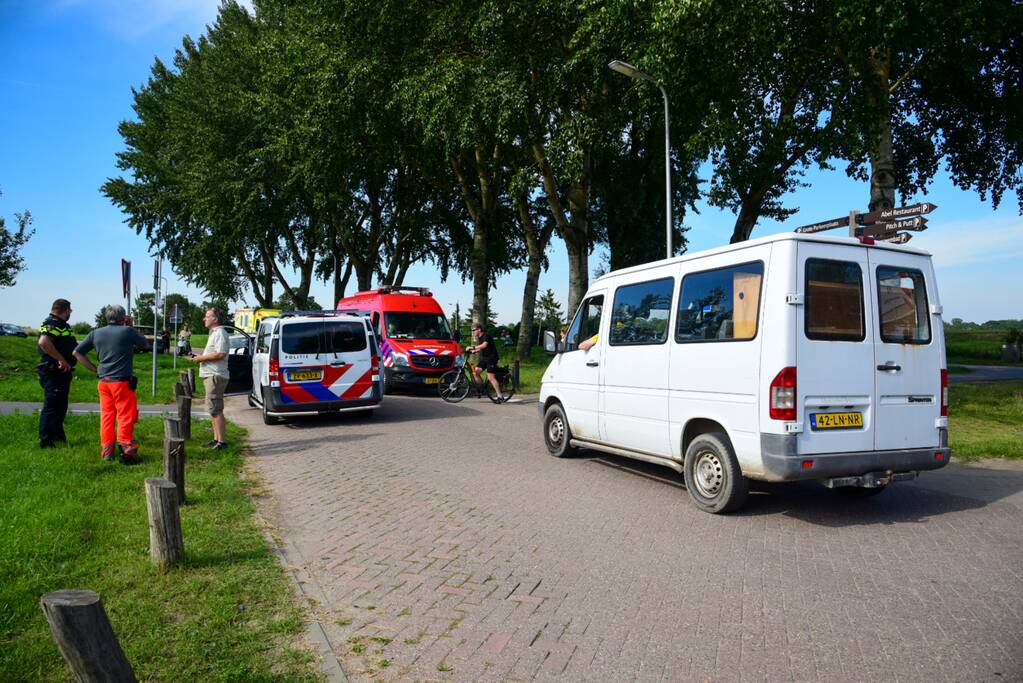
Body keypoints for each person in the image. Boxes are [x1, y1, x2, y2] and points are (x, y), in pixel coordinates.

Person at [73, 305, 149, 464]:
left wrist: (95, 369)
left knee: (107, 416)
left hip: (103, 382)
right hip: (122, 382)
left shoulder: (95, 333)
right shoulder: (127, 331)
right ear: (124, 318)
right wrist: (131, 326)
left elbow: (77, 352)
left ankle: (107, 451)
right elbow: (144, 344)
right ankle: (127, 449)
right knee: (125, 415)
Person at [36, 298, 77, 448]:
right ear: (65, 310)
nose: (70, 313)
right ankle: (46, 440)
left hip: (61, 371)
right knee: (52, 405)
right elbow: (43, 342)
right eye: (70, 311)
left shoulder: (60, 325)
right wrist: (61, 360)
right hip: (54, 370)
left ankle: (58, 436)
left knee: (60, 405)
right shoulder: (52, 323)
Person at [190, 307, 230, 450]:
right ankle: (216, 439)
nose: (204, 319)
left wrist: (201, 358)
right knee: (213, 409)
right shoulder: (214, 333)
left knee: (215, 409)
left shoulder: (220, 333)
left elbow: (220, 354)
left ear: (215, 319)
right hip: (211, 374)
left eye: (207, 316)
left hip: (216, 375)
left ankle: (222, 442)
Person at [466, 322, 504, 402]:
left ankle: (500, 396)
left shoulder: (486, 336)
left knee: (491, 377)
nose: (472, 332)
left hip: (492, 358)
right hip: (485, 358)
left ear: (479, 329)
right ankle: (482, 388)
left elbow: (484, 345)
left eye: (473, 330)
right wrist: (475, 351)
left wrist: (472, 347)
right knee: (475, 372)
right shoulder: (480, 337)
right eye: (472, 331)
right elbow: (482, 348)